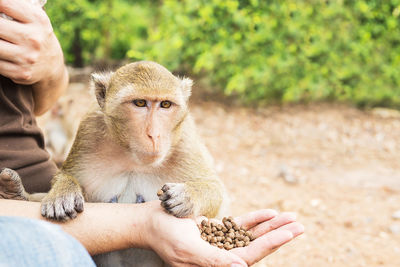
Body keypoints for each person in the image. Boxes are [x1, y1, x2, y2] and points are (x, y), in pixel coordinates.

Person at [0, 0, 304, 266]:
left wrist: (52, 64)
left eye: (167, 106)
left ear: (183, 102)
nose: (154, 133)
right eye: (139, 104)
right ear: (102, 98)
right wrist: (62, 189)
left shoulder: (183, 138)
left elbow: (213, 192)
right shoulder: (94, 129)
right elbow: (70, 182)